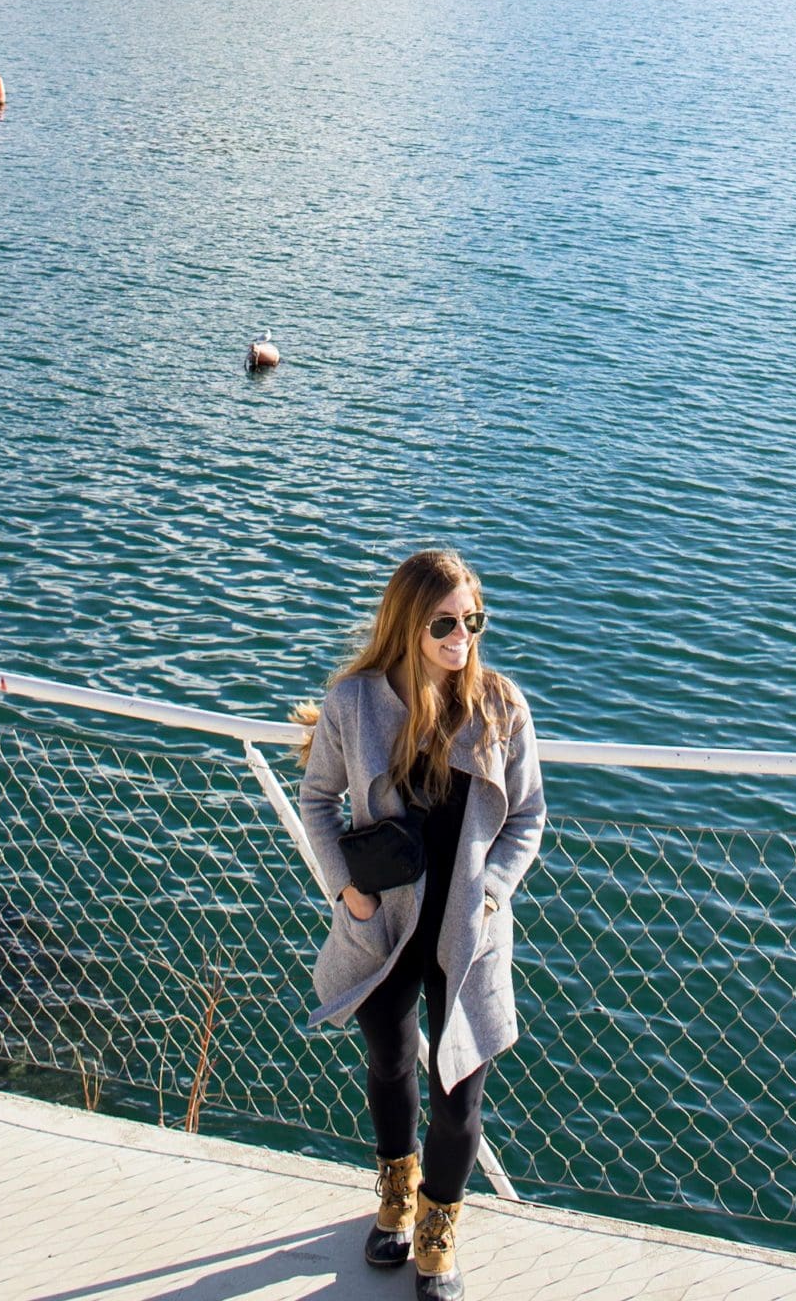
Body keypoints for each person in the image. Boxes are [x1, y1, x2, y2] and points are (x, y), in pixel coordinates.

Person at [297, 550, 545, 1300]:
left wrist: (495, 892)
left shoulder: (499, 706)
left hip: (466, 935)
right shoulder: (357, 703)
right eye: (444, 623)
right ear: (408, 624)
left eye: (473, 619)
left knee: (459, 1090)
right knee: (391, 1064)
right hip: (385, 928)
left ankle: (439, 1230)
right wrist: (349, 895)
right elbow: (319, 802)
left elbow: (527, 817)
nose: (461, 635)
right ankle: (397, 1199)